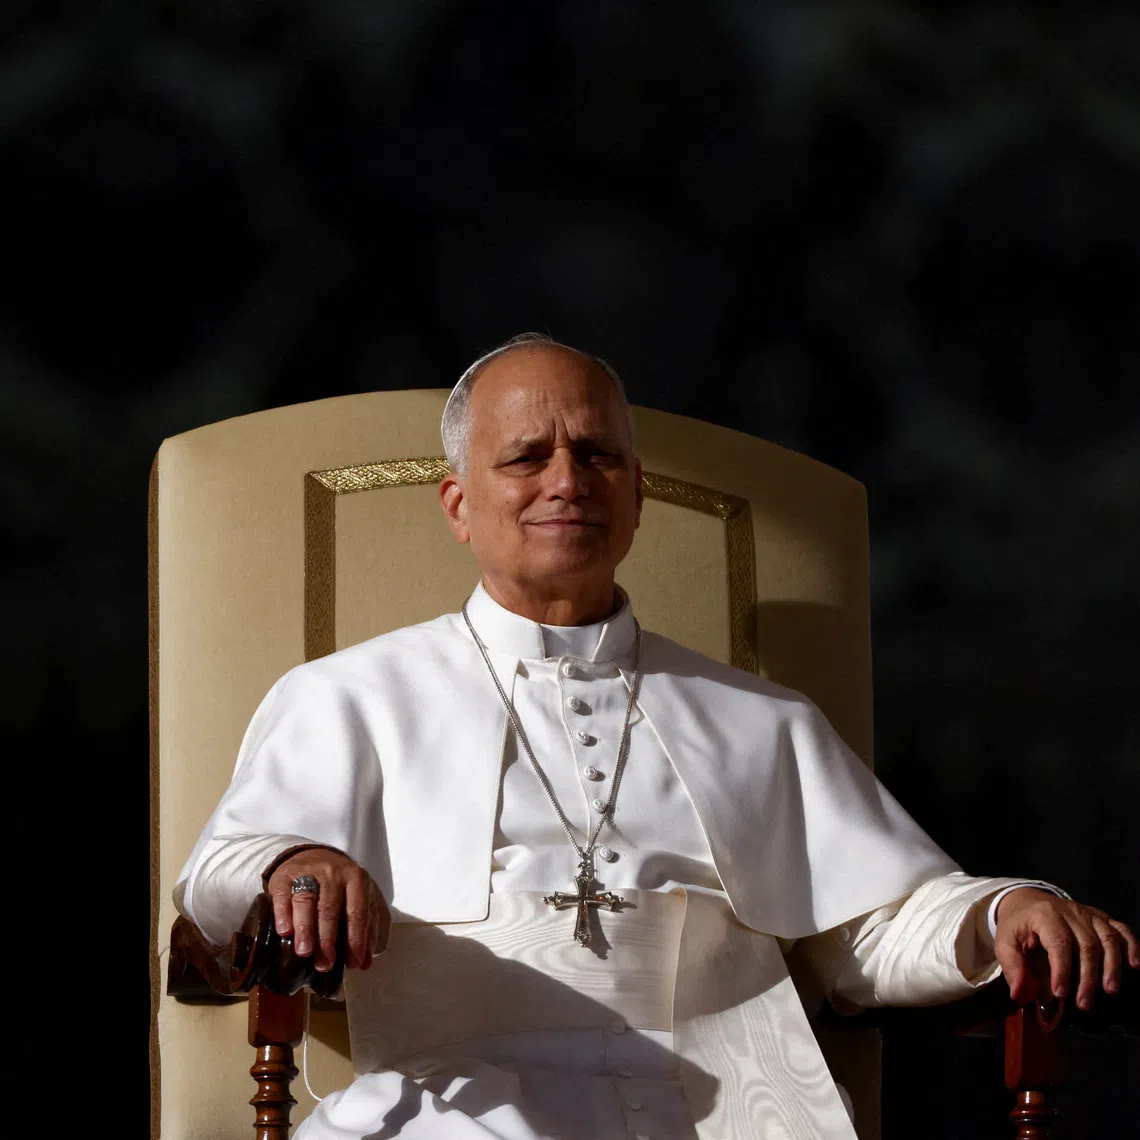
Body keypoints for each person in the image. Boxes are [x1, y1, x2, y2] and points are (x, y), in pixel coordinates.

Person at [176, 332, 1138, 1139]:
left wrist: (1002, 910)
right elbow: (220, 875)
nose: (568, 481)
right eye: (526, 457)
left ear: (637, 494)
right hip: (455, 1103)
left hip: (724, 1107)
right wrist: (294, 860)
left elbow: (873, 929)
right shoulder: (349, 697)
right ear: (458, 504)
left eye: (597, 455)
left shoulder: (761, 719)